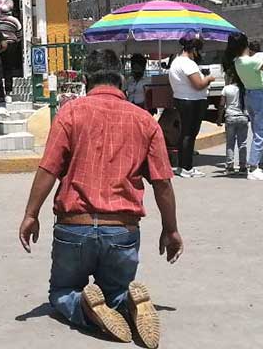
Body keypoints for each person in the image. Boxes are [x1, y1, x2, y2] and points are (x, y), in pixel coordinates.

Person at [18, 49, 182, 348]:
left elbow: (48, 169)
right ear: (120, 80)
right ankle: (125, 302)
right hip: (122, 230)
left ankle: (83, 307)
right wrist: (170, 230)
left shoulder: (70, 112)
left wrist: (31, 214)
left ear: (84, 80)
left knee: (62, 291)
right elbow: (163, 184)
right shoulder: (145, 121)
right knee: (116, 292)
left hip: (74, 227)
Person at [227, 33, 263, 181]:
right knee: (262, 132)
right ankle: (253, 167)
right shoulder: (252, 62)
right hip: (260, 94)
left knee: (257, 131)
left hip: (249, 95)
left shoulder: (237, 61)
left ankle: (260, 164)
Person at [168, 36, 215, 178]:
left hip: (182, 99)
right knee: (190, 134)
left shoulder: (176, 61)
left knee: (185, 134)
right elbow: (198, 84)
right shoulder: (188, 63)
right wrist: (209, 79)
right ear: (193, 50)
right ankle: (187, 166)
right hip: (192, 101)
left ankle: (183, 166)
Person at [0, 0, 23, 102]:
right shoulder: (14, 21)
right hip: (10, 46)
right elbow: (19, 35)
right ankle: (8, 93)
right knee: (8, 69)